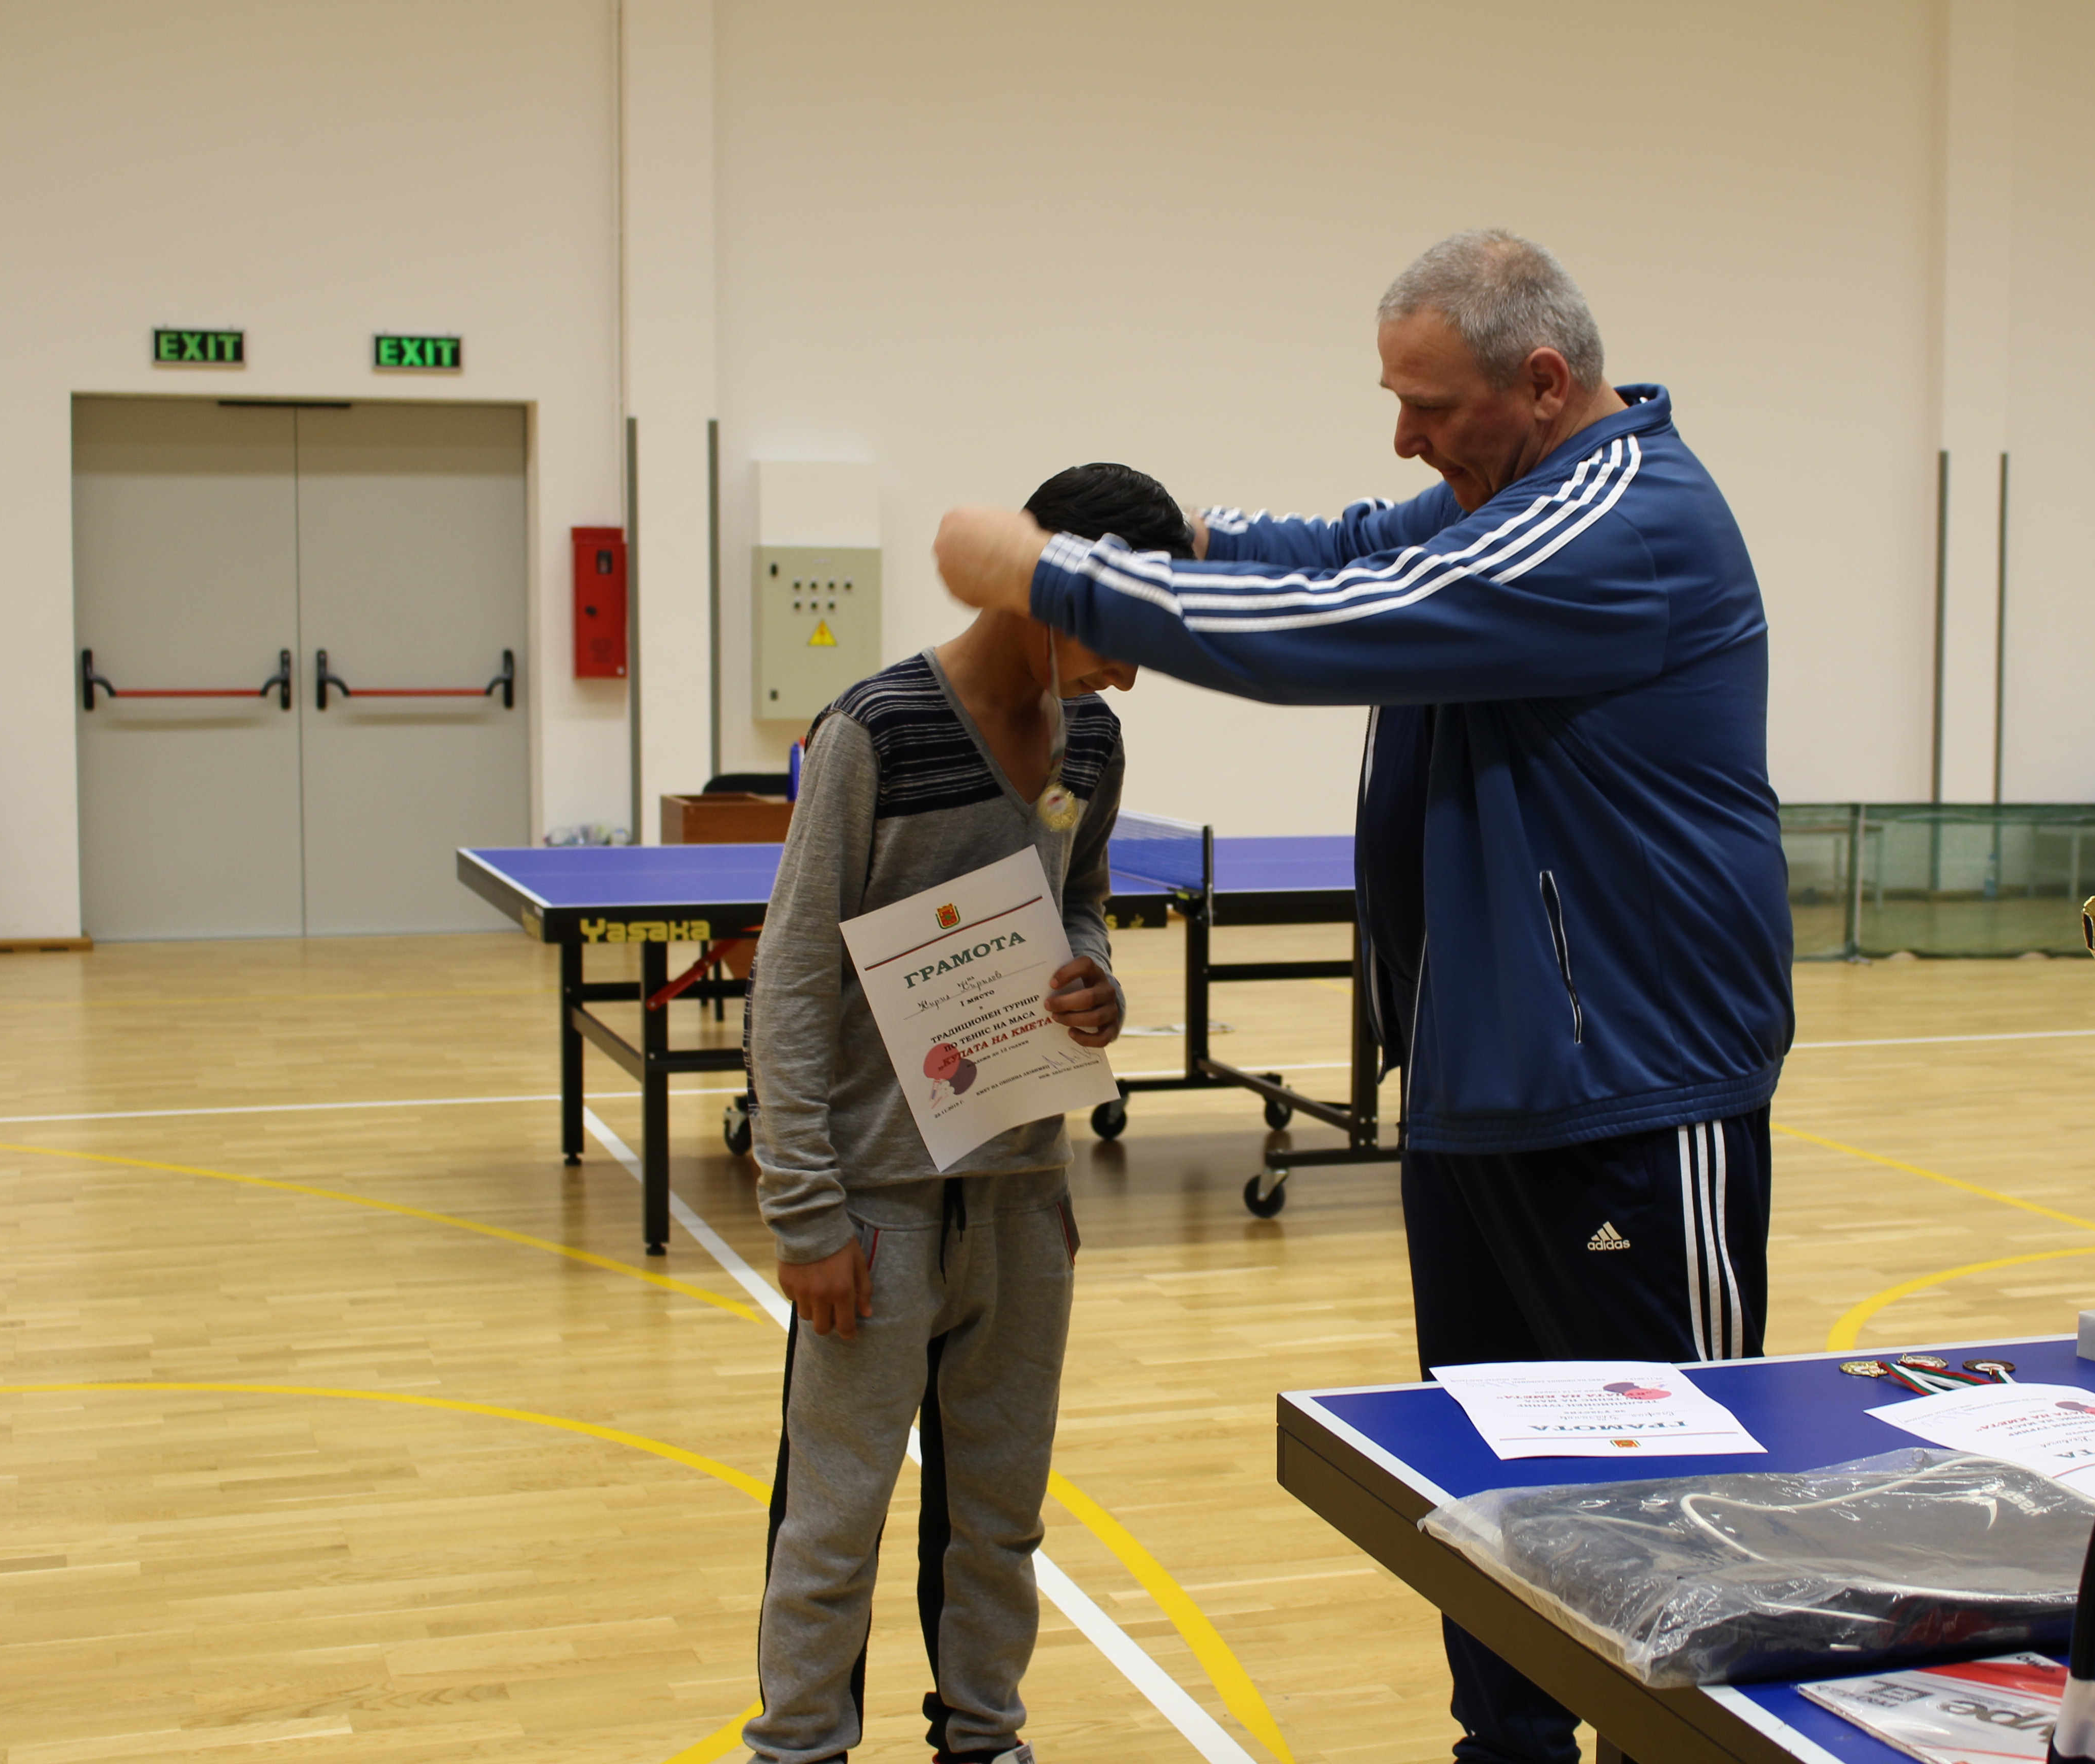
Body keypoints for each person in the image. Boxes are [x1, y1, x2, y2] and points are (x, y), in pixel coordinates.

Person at [934, 230, 1793, 1764]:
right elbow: (1337, 552)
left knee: (1669, 1530)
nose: (1403, 439)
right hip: (1477, 1095)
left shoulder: (1622, 518)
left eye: (1431, 407)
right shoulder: (1498, 496)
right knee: (1492, 1505)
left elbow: (1342, 628)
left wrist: (1060, 575)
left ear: (1544, 382)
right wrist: (1177, 532)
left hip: (1632, 1105)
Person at [744, 463, 1186, 1764]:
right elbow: (791, 979)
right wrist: (807, 1212)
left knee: (1001, 1517)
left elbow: (1080, 900)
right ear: (1050, 581)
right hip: (874, 1212)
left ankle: (984, 1737)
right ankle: (799, 1745)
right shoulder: (873, 730)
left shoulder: (1092, 743)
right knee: (835, 1521)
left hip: (1024, 1201)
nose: (1136, 672)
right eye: (1126, 631)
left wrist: (1095, 981)